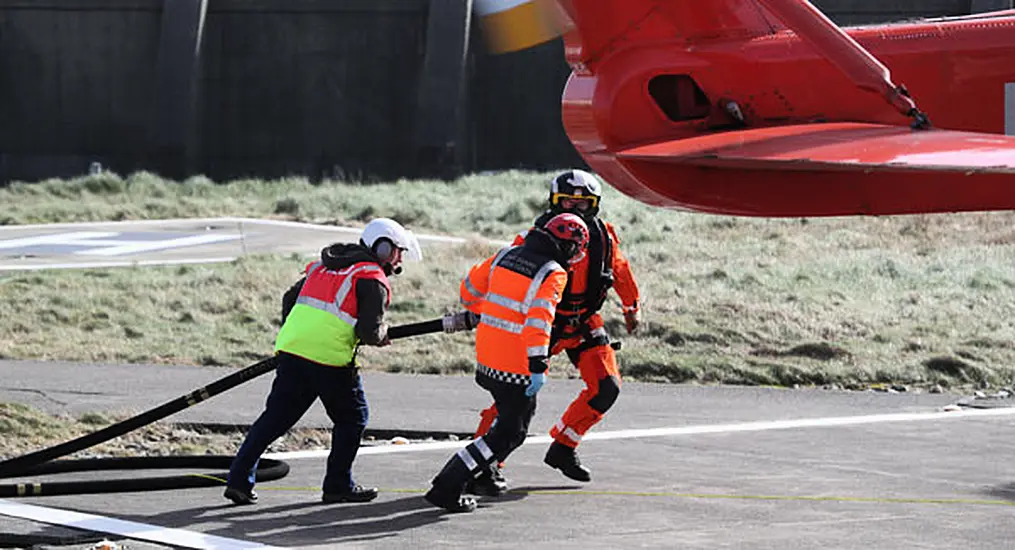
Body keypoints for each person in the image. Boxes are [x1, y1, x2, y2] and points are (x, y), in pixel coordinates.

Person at [223, 217, 422, 506]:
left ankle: (239, 481)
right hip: (331, 360)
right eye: (398, 251)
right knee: (353, 418)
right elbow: (369, 332)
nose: (399, 260)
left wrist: (299, 337)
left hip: (293, 352)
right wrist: (380, 336)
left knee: (274, 420)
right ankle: (338, 485)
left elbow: (290, 299)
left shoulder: (325, 266)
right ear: (382, 248)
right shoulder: (372, 278)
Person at [468, 169, 641, 495]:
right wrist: (483, 310)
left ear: (595, 206)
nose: (574, 211)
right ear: (553, 204)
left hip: (584, 320)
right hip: (541, 325)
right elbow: (501, 273)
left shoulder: (605, 237)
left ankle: (563, 446)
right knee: (514, 400)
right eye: (567, 203)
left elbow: (620, 271)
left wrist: (632, 308)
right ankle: (483, 464)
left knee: (607, 387)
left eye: (583, 204)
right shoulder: (531, 240)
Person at [423, 213, 590, 513]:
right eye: (577, 249)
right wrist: (538, 364)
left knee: (506, 426)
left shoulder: (506, 254)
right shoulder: (553, 273)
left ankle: (468, 477)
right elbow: (540, 320)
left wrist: (484, 312)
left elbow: (469, 289)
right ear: (567, 245)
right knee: (510, 433)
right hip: (516, 366)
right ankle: (448, 485)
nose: (577, 256)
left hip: (487, 357)